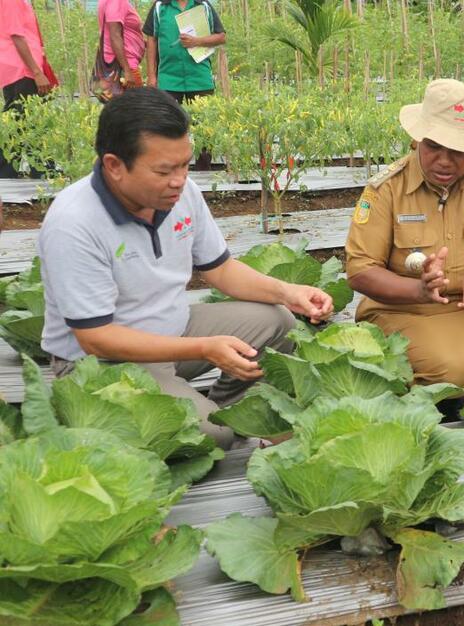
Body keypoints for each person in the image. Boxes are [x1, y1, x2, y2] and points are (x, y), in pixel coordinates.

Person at [38, 88, 334, 448]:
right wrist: (203, 348)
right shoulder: (75, 221)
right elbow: (95, 338)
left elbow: (221, 270)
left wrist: (290, 293)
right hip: (101, 363)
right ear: (114, 166)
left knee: (279, 322)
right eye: (164, 170)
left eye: (185, 164)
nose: (179, 179)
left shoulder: (181, 193)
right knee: (215, 438)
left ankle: (223, 405)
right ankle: (208, 417)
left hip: (176, 332)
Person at [345, 79, 464, 396]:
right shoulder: (386, 189)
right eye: (434, 146)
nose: (445, 160)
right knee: (450, 373)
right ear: (417, 140)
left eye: (458, 150)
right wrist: (419, 290)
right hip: (400, 308)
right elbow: (360, 271)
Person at [143, 0, 226, 169]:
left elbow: (221, 36)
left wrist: (198, 41)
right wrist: (152, 76)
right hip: (168, 78)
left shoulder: (203, 6)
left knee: (204, 127)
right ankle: (168, 167)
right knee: (166, 125)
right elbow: (151, 40)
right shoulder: (160, 7)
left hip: (199, 77)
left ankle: (204, 170)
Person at [0, 0, 57, 178]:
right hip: (21, 68)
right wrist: (36, 71)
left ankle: (33, 170)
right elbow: (17, 36)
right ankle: (37, 169)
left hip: (20, 67)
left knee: (24, 120)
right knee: (24, 120)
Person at [98, 0, 146, 91]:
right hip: (124, 66)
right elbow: (115, 35)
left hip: (117, 65)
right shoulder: (117, 1)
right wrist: (127, 70)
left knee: (120, 104)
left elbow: (121, 32)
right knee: (136, 103)